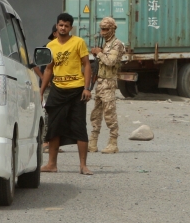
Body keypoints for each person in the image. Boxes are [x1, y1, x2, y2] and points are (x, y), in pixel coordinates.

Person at [39, 13, 93, 175]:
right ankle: (51, 164)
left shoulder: (78, 42)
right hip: (57, 90)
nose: (63, 28)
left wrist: (87, 88)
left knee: (79, 128)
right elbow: (49, 69)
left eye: (66, 26)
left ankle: (83, 166)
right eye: (60, 25)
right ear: (57, 26)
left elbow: (87, 65)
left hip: (77, 90)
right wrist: (41, 92)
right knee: (54, 127)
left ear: (71, 28)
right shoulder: (51, 46)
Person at [89, 17, 126, 154]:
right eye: (102, 29)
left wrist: (99, 53)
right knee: (96, 113)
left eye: (106, 29)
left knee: (110, 113)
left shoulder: (117, 44)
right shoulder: (105, 44)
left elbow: (110, 61)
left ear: (112, 29)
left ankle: (113, 142)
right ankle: (93, 141)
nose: (103, 32)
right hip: (100, 81)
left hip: (109, 82)